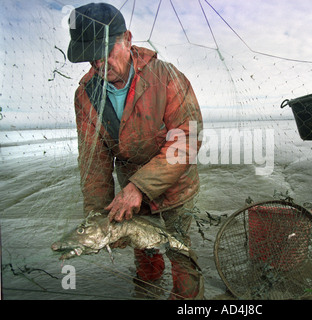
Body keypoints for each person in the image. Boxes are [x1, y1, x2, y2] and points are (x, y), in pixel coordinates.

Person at [67, 3, 204, 299]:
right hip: (130, 189)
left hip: (176, 186)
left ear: (127, 39)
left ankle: (188, 300)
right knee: (145, 255)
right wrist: (97, 218)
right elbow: (95, 161)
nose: (100, 65)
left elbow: (187, 139)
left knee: (180, 252)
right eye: (92, 59)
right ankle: (148, 290)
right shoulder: (85, 96)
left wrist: (140, 186)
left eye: (106, 53)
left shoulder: (166, 77)